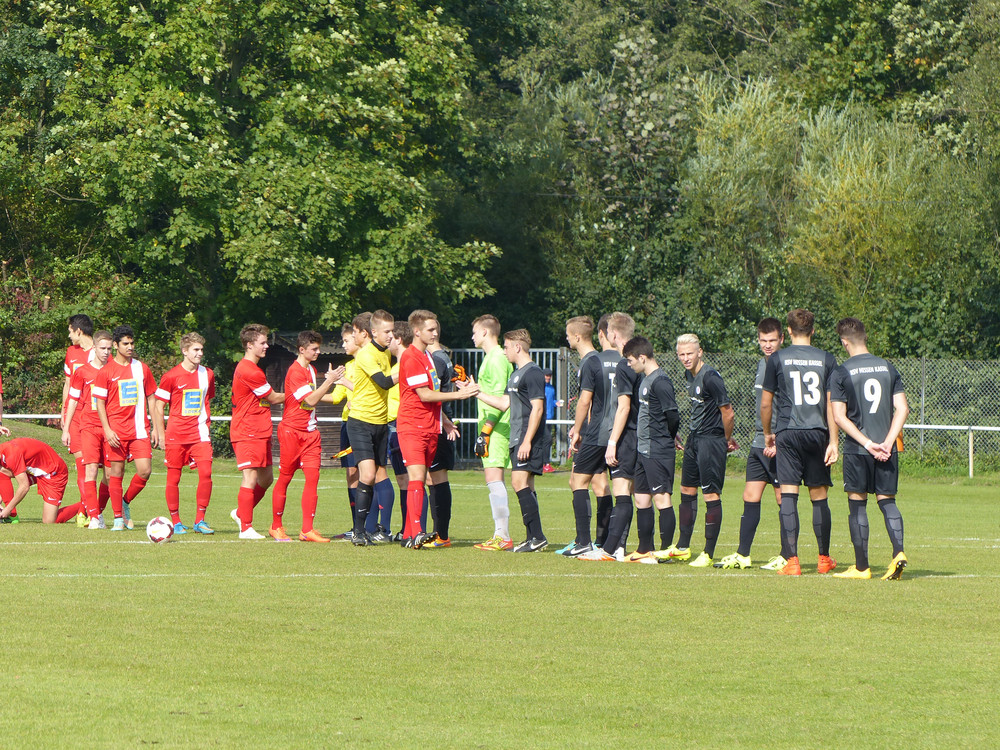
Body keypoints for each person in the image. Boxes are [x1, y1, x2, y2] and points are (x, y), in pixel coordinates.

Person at [761, 308, 840, 576]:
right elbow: (832, 403)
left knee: (789, 495)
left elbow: (766, 402)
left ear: (789, 332)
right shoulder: (827, 359)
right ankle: (823, 559)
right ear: (814, 331)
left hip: (788, 431)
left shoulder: (777, 359)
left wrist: (768, 433)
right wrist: (833, 440)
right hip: (817, 431)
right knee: (819, 497)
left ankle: (792, 561)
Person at [829, 317, 909, 581]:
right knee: (887, 501)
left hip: (859, 450)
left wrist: (867, 443)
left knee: (857, 505)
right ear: (865, 336)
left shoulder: (841, 372)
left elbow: (839, 417)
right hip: (887, 448)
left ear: (844, 342)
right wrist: (887, 441)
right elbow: (902, 409)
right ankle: (898, 553)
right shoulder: (888, 367)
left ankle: (862, 568)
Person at [397, 310, 478, 547]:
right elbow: (423, 394)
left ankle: (410, 535)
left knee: (425, 480)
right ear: (417, 331)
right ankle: (415, 532)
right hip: (412, 426)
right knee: (417, 477)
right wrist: (460, 395)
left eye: (436, 328)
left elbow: (432, 396)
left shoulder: (428, 358)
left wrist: (445, 420)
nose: (435, 333)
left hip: (431, 426)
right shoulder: (411, 358)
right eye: (431, 329)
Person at [715, 318, 789, 570]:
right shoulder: (761, 364)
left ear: (782, 339)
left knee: (783, 498)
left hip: (778, 442)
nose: (767, 345)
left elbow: (791, 408)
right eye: (763, 341)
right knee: (750, 495)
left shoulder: (784, 366)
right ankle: (743, 554)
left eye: (772, 340)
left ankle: (787, 556)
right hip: (759, 441)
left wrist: (779, 438)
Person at [472, 328, 550, 552]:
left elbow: (537, 409)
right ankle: (533, 537)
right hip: (518, 436)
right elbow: (503, 403)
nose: (504, 351)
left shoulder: (533, 372)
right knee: (526, 485)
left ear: (518, 347)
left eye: (506, 347)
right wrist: (476, 392)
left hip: (528, 437)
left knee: (518, 483)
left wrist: (527, 441)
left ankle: (537, 536)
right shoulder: (516, 374)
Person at [270, 330, 344, 542]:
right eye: (314, 349)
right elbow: (310, 400)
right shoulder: (295, 372)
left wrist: (343, 391)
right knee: (285, 478)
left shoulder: (311, 370)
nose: (318, 352)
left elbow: (315, 398)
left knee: (313, 478)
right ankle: (276, 526)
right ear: (301, 350)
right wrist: (329, 381)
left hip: (311, 433)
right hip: (292, 432)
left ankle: (307, 530)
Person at [671, 333, 737, 567]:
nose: (686, 358)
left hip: (711, 440)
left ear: (700, 352)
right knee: (687, 490)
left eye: (690, 353)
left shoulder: (711, 377)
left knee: (710, 494)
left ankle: (707, 553)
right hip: (694, 439)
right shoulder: (689, 375)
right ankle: (682, 547)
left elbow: (727, 412)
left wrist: (724, 440)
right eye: (682, 354)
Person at [580, 312, 639, 562]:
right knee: (636, 494)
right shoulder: (642, 362)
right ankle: (622, 548)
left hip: (626, 436)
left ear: (612, 334)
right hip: (641, 435)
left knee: (623, 491)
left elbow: (623, 407)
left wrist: (612, 441)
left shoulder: (626, 364)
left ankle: (609, 549)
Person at [558, 316, 615, 557]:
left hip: (596, 432)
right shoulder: (601, 360)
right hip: (610, 431)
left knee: (577, 482)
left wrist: (579, 429)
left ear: (577, 337)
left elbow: (589, 401)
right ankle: (600, 542)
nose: (567, 338)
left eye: (568, 335)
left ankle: (584, 541)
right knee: (600, 484)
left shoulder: (590, 361)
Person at [93, 325, 159, 531]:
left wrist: (156, 427)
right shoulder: (106, 371)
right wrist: (107, 430)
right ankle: (118, 519)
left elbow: (151, 397)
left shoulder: (142, 368)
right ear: (116, 345)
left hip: (139, 429)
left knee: (145, 471)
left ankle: (125, 501)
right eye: (125, 344)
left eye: (132, 343)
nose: (130, 347)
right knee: (116, 473)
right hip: (116, 431)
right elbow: (100, 403)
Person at [621, 336, 681, 563]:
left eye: (630, 360)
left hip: (658, 449)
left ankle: (666, 552)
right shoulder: (645, 380)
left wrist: (668, 436)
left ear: (642, 358)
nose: (629, 364)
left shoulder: (661, 381)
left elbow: (672, 415)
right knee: (642, 499)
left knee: (661, 498)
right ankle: (645, 549)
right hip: (643, 448)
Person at [153, 332, 216, 535]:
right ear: (185, 351)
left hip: (200, 433)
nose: (200, 353)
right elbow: (158, 405)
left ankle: (200, 520)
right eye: (196, 350)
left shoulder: (208, 374)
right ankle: (176, 521)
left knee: (206, 473)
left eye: (201, 350)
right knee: (174, 477)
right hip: (176, 434)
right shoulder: (171, 376)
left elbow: (208, 399)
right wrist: (160, 433)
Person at [229, 324, 285, 540]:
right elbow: (272, 397)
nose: (267, 346)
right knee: (250, 477)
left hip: (260, 430)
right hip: (247, 430)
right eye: (262, 343)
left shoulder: (254, 369)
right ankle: (246, 527)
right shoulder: (249, 369)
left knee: (267, 478)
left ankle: (241, 513)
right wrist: (299, 393)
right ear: (249, 345)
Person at [347, 310, 397, 546]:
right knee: (366, 475)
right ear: (373, 332)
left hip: (381, 423)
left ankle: (375, 529)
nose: (391, 335)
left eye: (392, 331)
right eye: (387, 331)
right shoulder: (365, 355)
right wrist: (407, 367)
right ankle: (359, 532)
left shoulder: (385, 353)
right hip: (360, 422)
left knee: (378, 475)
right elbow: (385, 382)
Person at [470, 314, 515, 551]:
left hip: (496, 428)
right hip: (494, 428)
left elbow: (500, 399)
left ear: (486, 332)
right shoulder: (493, 357)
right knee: (494, 480)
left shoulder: (496, 358)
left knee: (494, 480)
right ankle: (501, 534)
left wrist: (486, 431)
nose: (473, 336)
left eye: (475, 332)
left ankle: (503, 536)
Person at [62, 330, 114, 529]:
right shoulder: (82, 372)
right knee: (90, 469)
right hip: (89, 426)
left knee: (110, 475)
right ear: (94, 347)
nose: (106, 352)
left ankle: (99, 512)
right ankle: (93, 517)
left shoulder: (114, 371)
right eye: (102, 348)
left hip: (110, 429)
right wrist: (66, 428)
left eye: (109, 349)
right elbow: (72, 400)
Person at [424, 330, 460, 547]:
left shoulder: (436, 360)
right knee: (432, 478)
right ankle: (438, 533)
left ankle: (441, 534)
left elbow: (434, 396)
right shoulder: (443, 357)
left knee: (437, 478)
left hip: (440, 423)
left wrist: (444, 421)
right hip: (441, 421)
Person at [61, 313, 95, 522]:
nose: (69, 334)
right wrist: (64, 413)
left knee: (98, 468)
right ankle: (87, 513)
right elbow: (67, 385)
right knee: (82, 465)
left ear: (78, 331)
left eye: (70, 330)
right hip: (75, 416)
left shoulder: (101, 353)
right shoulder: (70, 353)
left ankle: (90, 510)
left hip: (94, 416)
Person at [0, 438, 79, 523]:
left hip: (54, 472)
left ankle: (84, 505)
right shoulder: (3, 451)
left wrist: (8, 509)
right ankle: (12, 516)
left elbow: (24, 487)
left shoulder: (12, 455)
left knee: (49, 521)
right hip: (38, 471)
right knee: (3, 472)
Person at [331, 322, 359, 537]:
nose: (343, 344)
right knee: (351, 475)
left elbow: (371, 390)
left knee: (370, 474)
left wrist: (345, 382)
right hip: (347, 424)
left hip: (364, 423)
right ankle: (356, 526)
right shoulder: (349, 366)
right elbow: (336, 397)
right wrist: (305, 397)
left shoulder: (371, 363)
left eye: (347, 340)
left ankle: (371, 526)